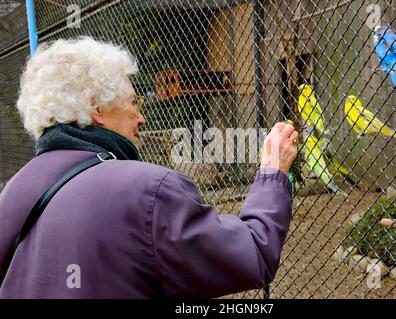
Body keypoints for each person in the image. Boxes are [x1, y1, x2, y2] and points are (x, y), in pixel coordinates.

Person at [0, 37, 298, 298]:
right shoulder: (147, 191)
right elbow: (252, 255)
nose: (142, 118)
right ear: (96, 108)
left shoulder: (12, 192)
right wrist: (272, 173)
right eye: (133, 102)